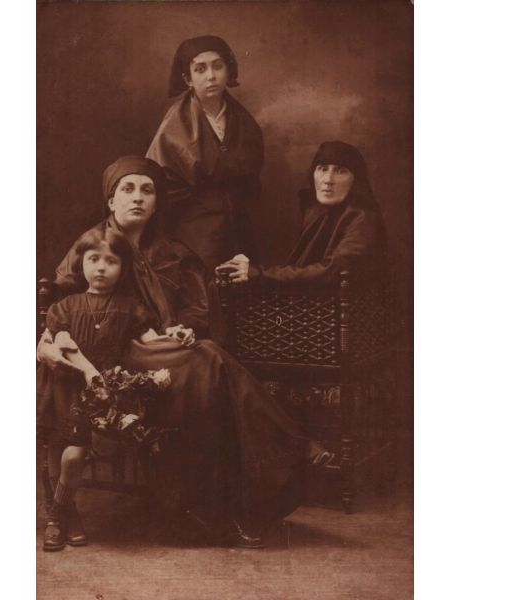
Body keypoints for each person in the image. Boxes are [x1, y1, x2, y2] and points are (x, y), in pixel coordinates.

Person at [38, 156, 331, 549]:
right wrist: (43, 344)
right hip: (113, 356)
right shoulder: (92, 245)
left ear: (157, 203)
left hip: (160, 347)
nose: (137, 198)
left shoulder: (170, 250)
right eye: (127, 189)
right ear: (110, 200)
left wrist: (183, 327)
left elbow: (196, 307)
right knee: (207, 362)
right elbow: (59, 305)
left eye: (147, 190)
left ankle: (224, 509)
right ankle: (290, 447)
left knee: (205, 366)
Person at [37, 228, 158, 551]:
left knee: (75, 455)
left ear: (123, 267)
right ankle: (62, 518)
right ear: (82, 263)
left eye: (111, 261)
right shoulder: (65, 306)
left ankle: (58, 513)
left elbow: (152, 341)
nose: (101, 268)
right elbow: (64, 343)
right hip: (66, 385)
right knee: (67, 449)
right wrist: (88, 373)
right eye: (94, 259)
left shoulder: (130, 308)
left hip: (106, 392)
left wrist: (175, 335)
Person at [146, 35, 263, 273]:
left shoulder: (244, 121)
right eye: (200, 69)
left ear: (228, 70)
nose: (211, 76)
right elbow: (159, 184)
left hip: (238, 224)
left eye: (218, 66)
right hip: (192, 228)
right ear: (187, 79)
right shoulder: (174, 126)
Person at [215, 141, 387, 288]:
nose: (328, 180)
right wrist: (244, 270)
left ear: (355, 180)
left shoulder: (363, 218)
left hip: (346, 310)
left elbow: (332, 271)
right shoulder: (318, 214)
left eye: (340, 171)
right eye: (322, 169)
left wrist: (258, 274)